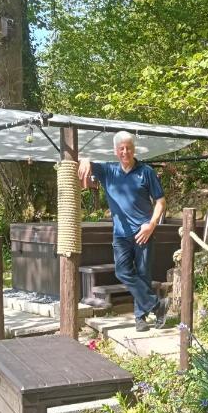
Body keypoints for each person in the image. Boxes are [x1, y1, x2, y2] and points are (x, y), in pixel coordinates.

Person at [78, 131, 169, 332]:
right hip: (120, 235)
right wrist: (85, 159)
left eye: (128, 148)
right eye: (121, 149)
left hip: (143, 232)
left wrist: (151, 225)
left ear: (133, 149)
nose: (125, 152)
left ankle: (141, 319)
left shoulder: (146, 172)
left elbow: (161, 202)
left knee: (143, 274)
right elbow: (84, 164)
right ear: (115, 151)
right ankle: (157, 305)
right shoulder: (108, 171)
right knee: (122, 272)